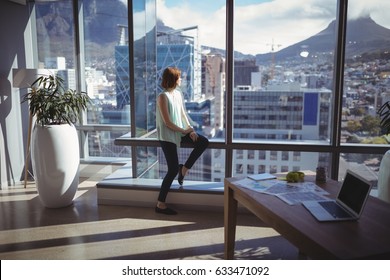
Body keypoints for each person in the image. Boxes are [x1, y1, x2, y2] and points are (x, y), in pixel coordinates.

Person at [155, 67, 209, 215]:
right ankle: (160, 204)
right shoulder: (162, 97)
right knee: (172, 170)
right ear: (173, 79)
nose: (181, 79)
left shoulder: (178, 94)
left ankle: (184, 169)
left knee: (203, 141)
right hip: (167, 135)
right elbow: (167, 122)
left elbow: (183, 114)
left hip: (180, 131)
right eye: (179, 77)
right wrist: (185, 131)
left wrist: (190, 130)